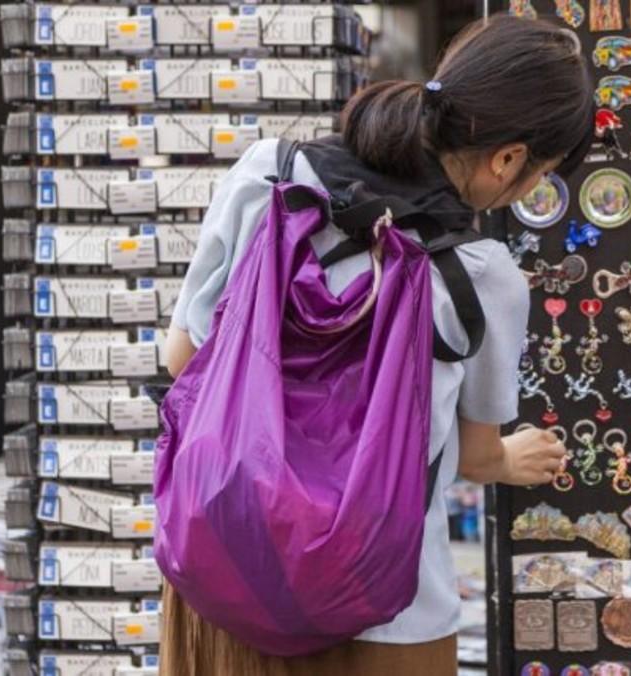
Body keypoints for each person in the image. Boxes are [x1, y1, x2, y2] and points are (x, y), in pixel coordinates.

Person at [160, 15, 592, 676]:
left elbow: (184, 360)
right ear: (508, 159)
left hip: (227, 571)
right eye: (543, 173)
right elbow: (476, 457)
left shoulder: (270, 175)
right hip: (388, 607)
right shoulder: (481, 274)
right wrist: (511, 457)